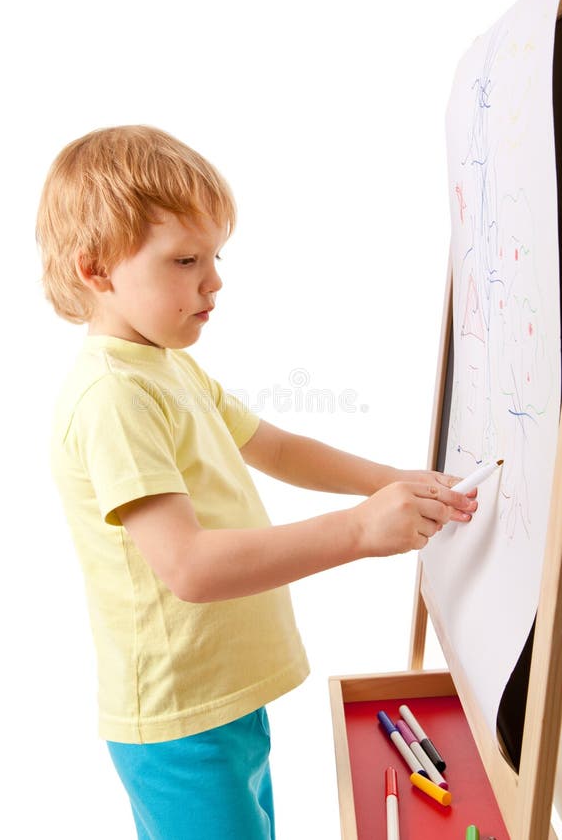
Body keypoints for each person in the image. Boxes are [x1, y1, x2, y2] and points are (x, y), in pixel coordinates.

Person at [36, 125, 477, 840]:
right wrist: (360, 531)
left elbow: (274, 447)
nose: (213, 280)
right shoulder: (112, 396)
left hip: (220, 695)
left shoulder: (166, 365)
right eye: (185, 260)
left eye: (215, 256)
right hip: (181, 718)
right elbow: (189, 567)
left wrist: (390, 480)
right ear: (97, 270)